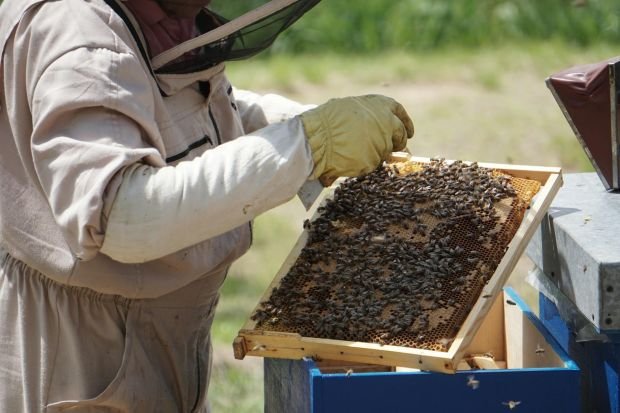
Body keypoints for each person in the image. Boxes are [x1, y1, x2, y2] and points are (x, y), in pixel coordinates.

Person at [0, 0, 414, 411]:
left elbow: (174, 108)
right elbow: (123, 215)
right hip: (83, 353)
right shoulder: (77, 35)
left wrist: (293, 121)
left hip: (152, 332)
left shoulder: (159, 15)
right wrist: (307, 144)